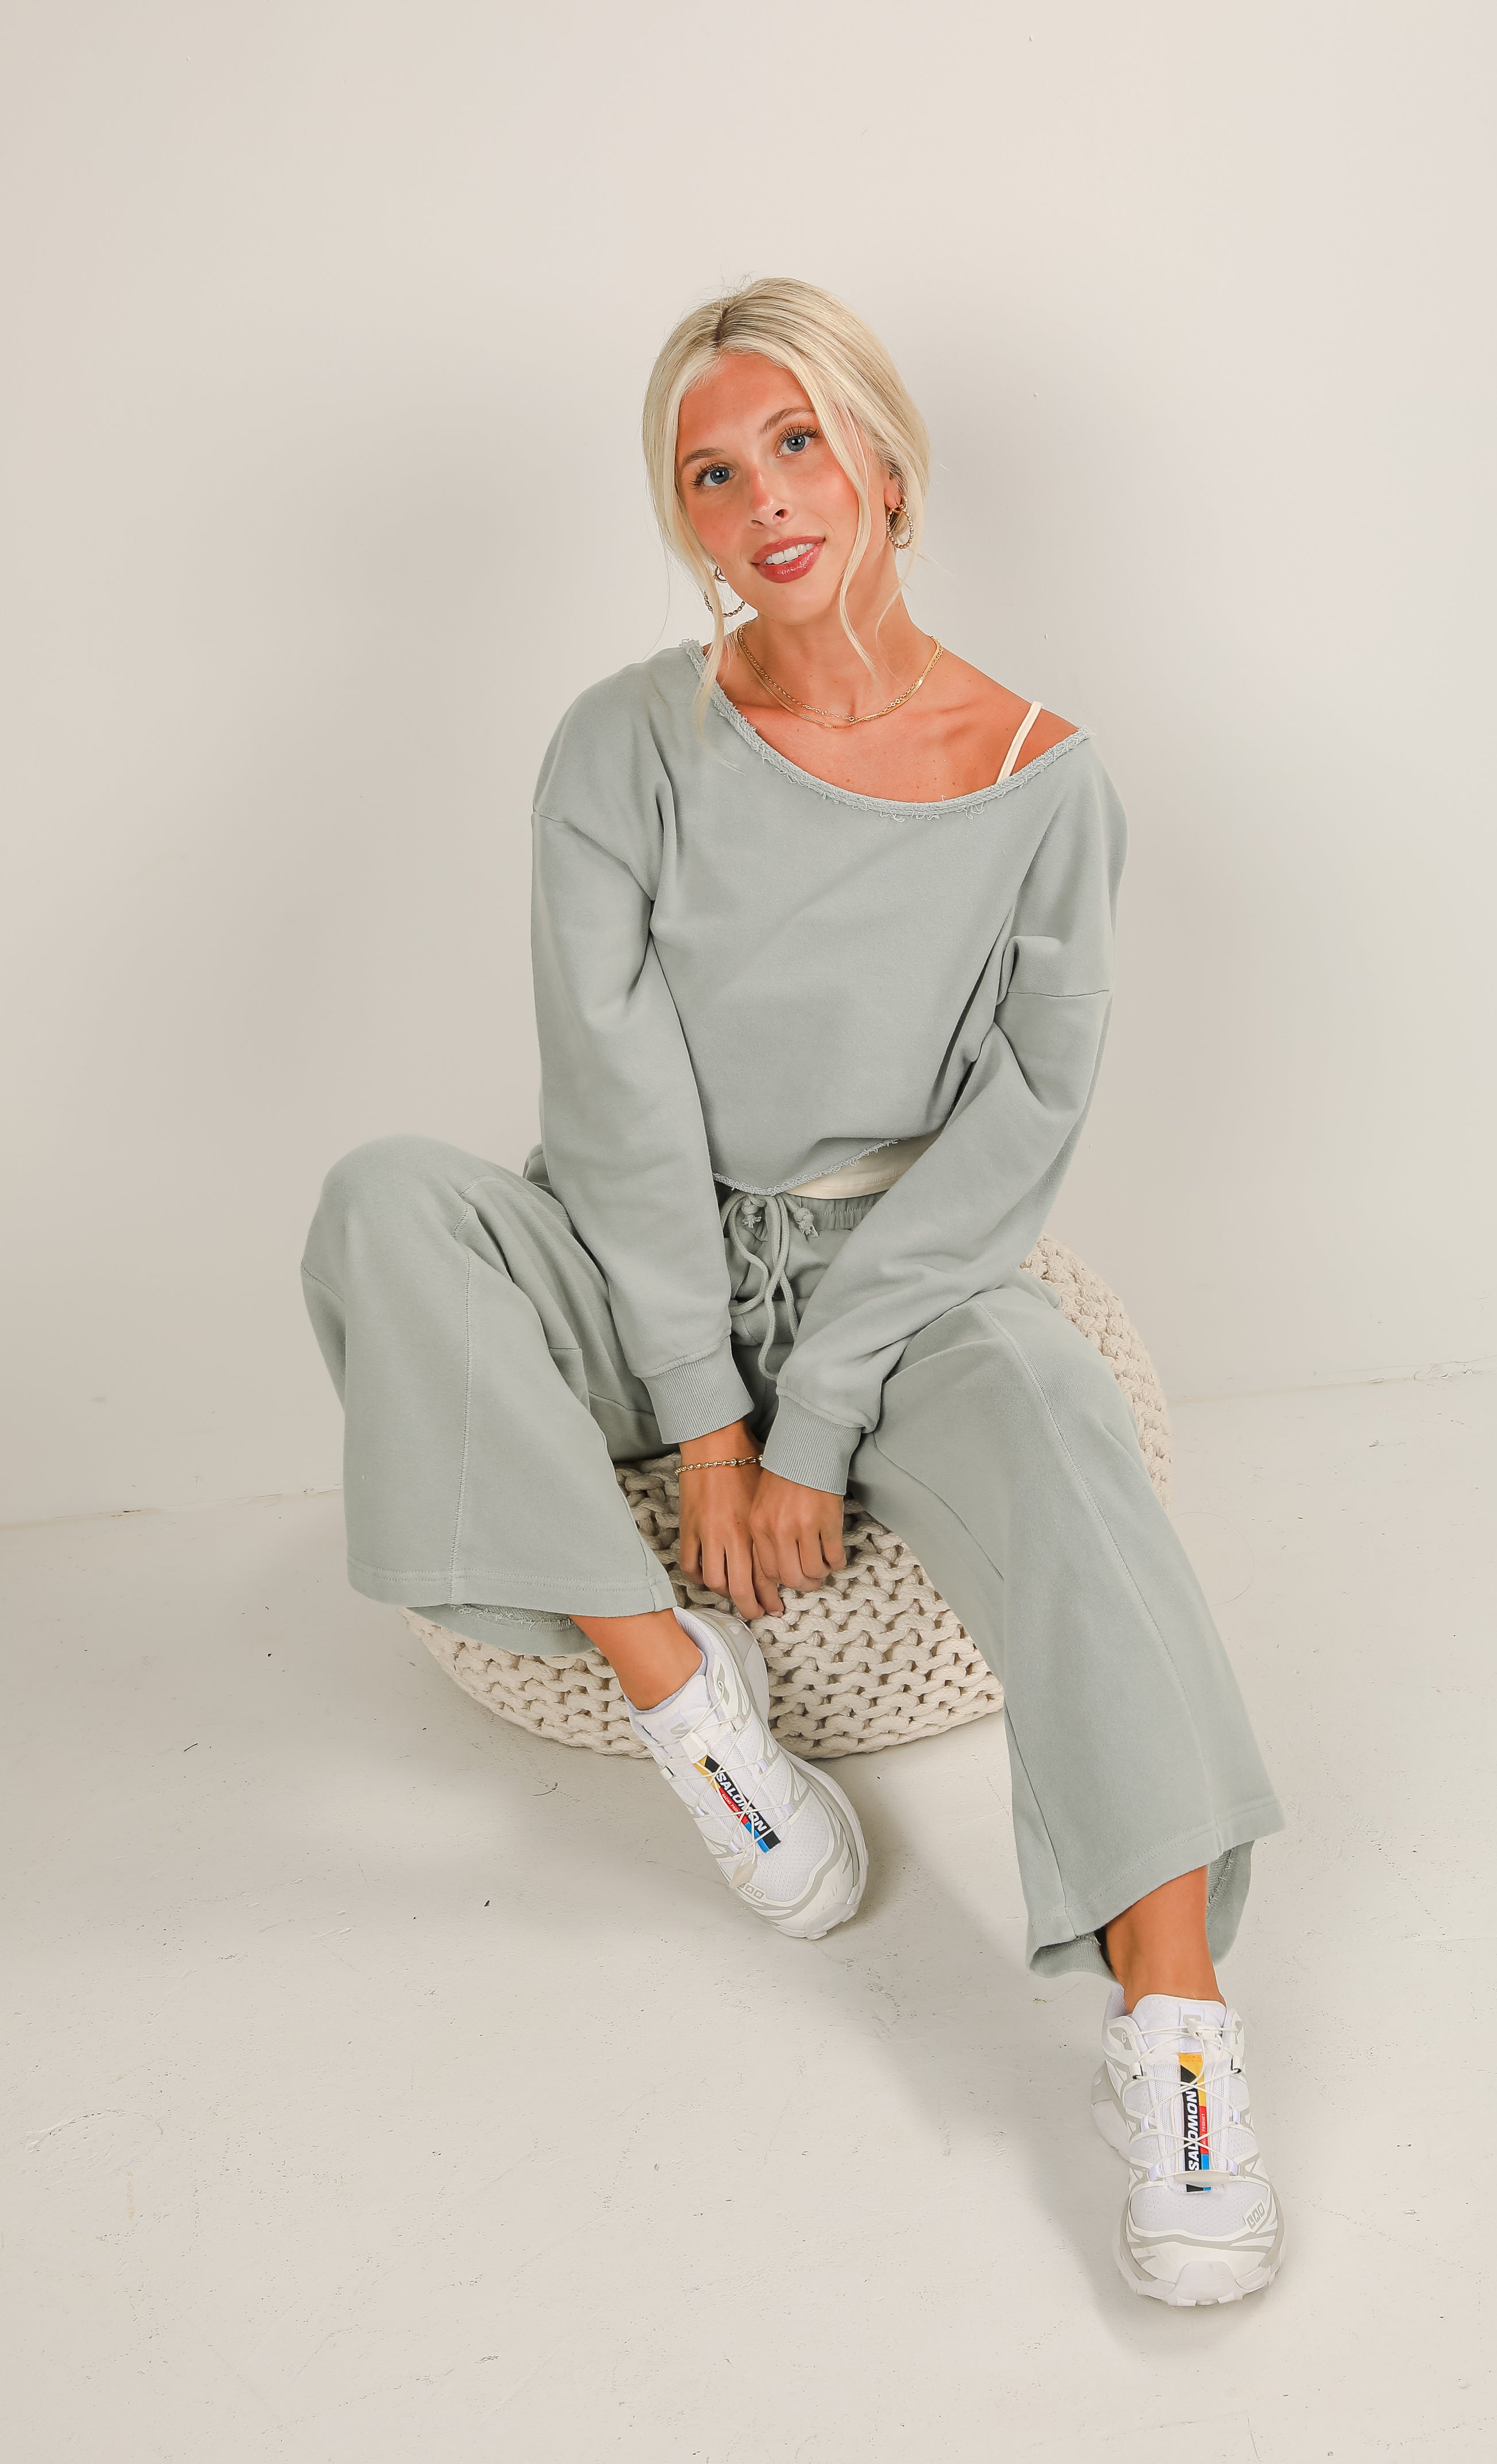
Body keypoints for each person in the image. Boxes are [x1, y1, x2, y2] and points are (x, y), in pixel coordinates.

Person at [301, 277, 1287, 2307]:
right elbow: (614, 1082)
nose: (761, 497)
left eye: (797, 444)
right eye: (710, 470)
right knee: (386, 1206)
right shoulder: (622, 744)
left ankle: (1173, 2040)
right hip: (623, 1227)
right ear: (683, 518)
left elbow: (1016, 1132)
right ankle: (689, 1702)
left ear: (887, 465)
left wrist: (820, 1410)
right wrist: (707, 1425)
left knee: (1065, 1429)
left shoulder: (1046, 782)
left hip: (896, 1270)